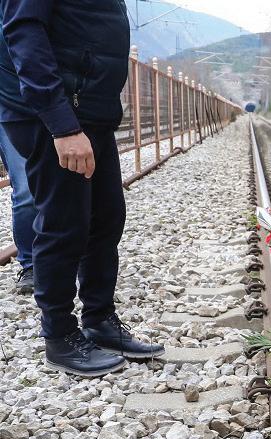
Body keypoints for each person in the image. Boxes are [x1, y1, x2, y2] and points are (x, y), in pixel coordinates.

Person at [0, 0, 164, 376]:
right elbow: (24, 31)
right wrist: (61, 123)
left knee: (106, 218)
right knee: (64, 223)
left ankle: (99, 320)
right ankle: (59, 336)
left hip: (90, 109)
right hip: (56, 114)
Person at [0, 122, 36, 295]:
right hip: (10, 111)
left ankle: (73, 257)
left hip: (64, 108)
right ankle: (31, 265)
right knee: (25, 189)